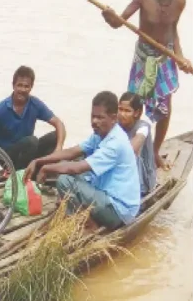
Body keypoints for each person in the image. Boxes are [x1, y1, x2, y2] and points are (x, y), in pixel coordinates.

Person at [101, 0, 193, 170]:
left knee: (165, 107)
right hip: (143, 57)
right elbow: (118, 22)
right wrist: (109, 16)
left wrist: (180, 56)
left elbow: (173, 30)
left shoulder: (180, 0)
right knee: (132, 104)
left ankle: (154, 151)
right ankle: (123, 148)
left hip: (165, 57)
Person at [23, 92, 140, 230]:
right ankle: (81, 215)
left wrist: (46, 168)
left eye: (100, 117)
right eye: (93, 116)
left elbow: (76, 168)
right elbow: (72, 152)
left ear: (113, 118)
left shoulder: (115, 143)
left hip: (118, 210)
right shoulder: (100, 134)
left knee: (65, 180)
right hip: (106, 195)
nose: (94, 121)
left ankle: (87, 224)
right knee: (69, 171)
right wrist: (38, 161)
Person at [0, 65, 66, 170]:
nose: (23, 90)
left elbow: (59, 123)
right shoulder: (0, 110)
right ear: (13, 85)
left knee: (55, 136)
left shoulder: (34, 104)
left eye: (26, 86)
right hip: (7, 157)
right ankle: (20, 173)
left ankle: (39, 169)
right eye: (19, 85)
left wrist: (59, 148)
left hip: (28, 150)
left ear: (31, 87)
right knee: (32, 141)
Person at [118, 92, 157, 196]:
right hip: (123, 175)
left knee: (132, 156)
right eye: (120, 109)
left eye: (127, 111)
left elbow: (131, 150)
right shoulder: (116, 125)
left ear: (136, 113)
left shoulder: (143, 127)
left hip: (143, 179)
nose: (122, 114)